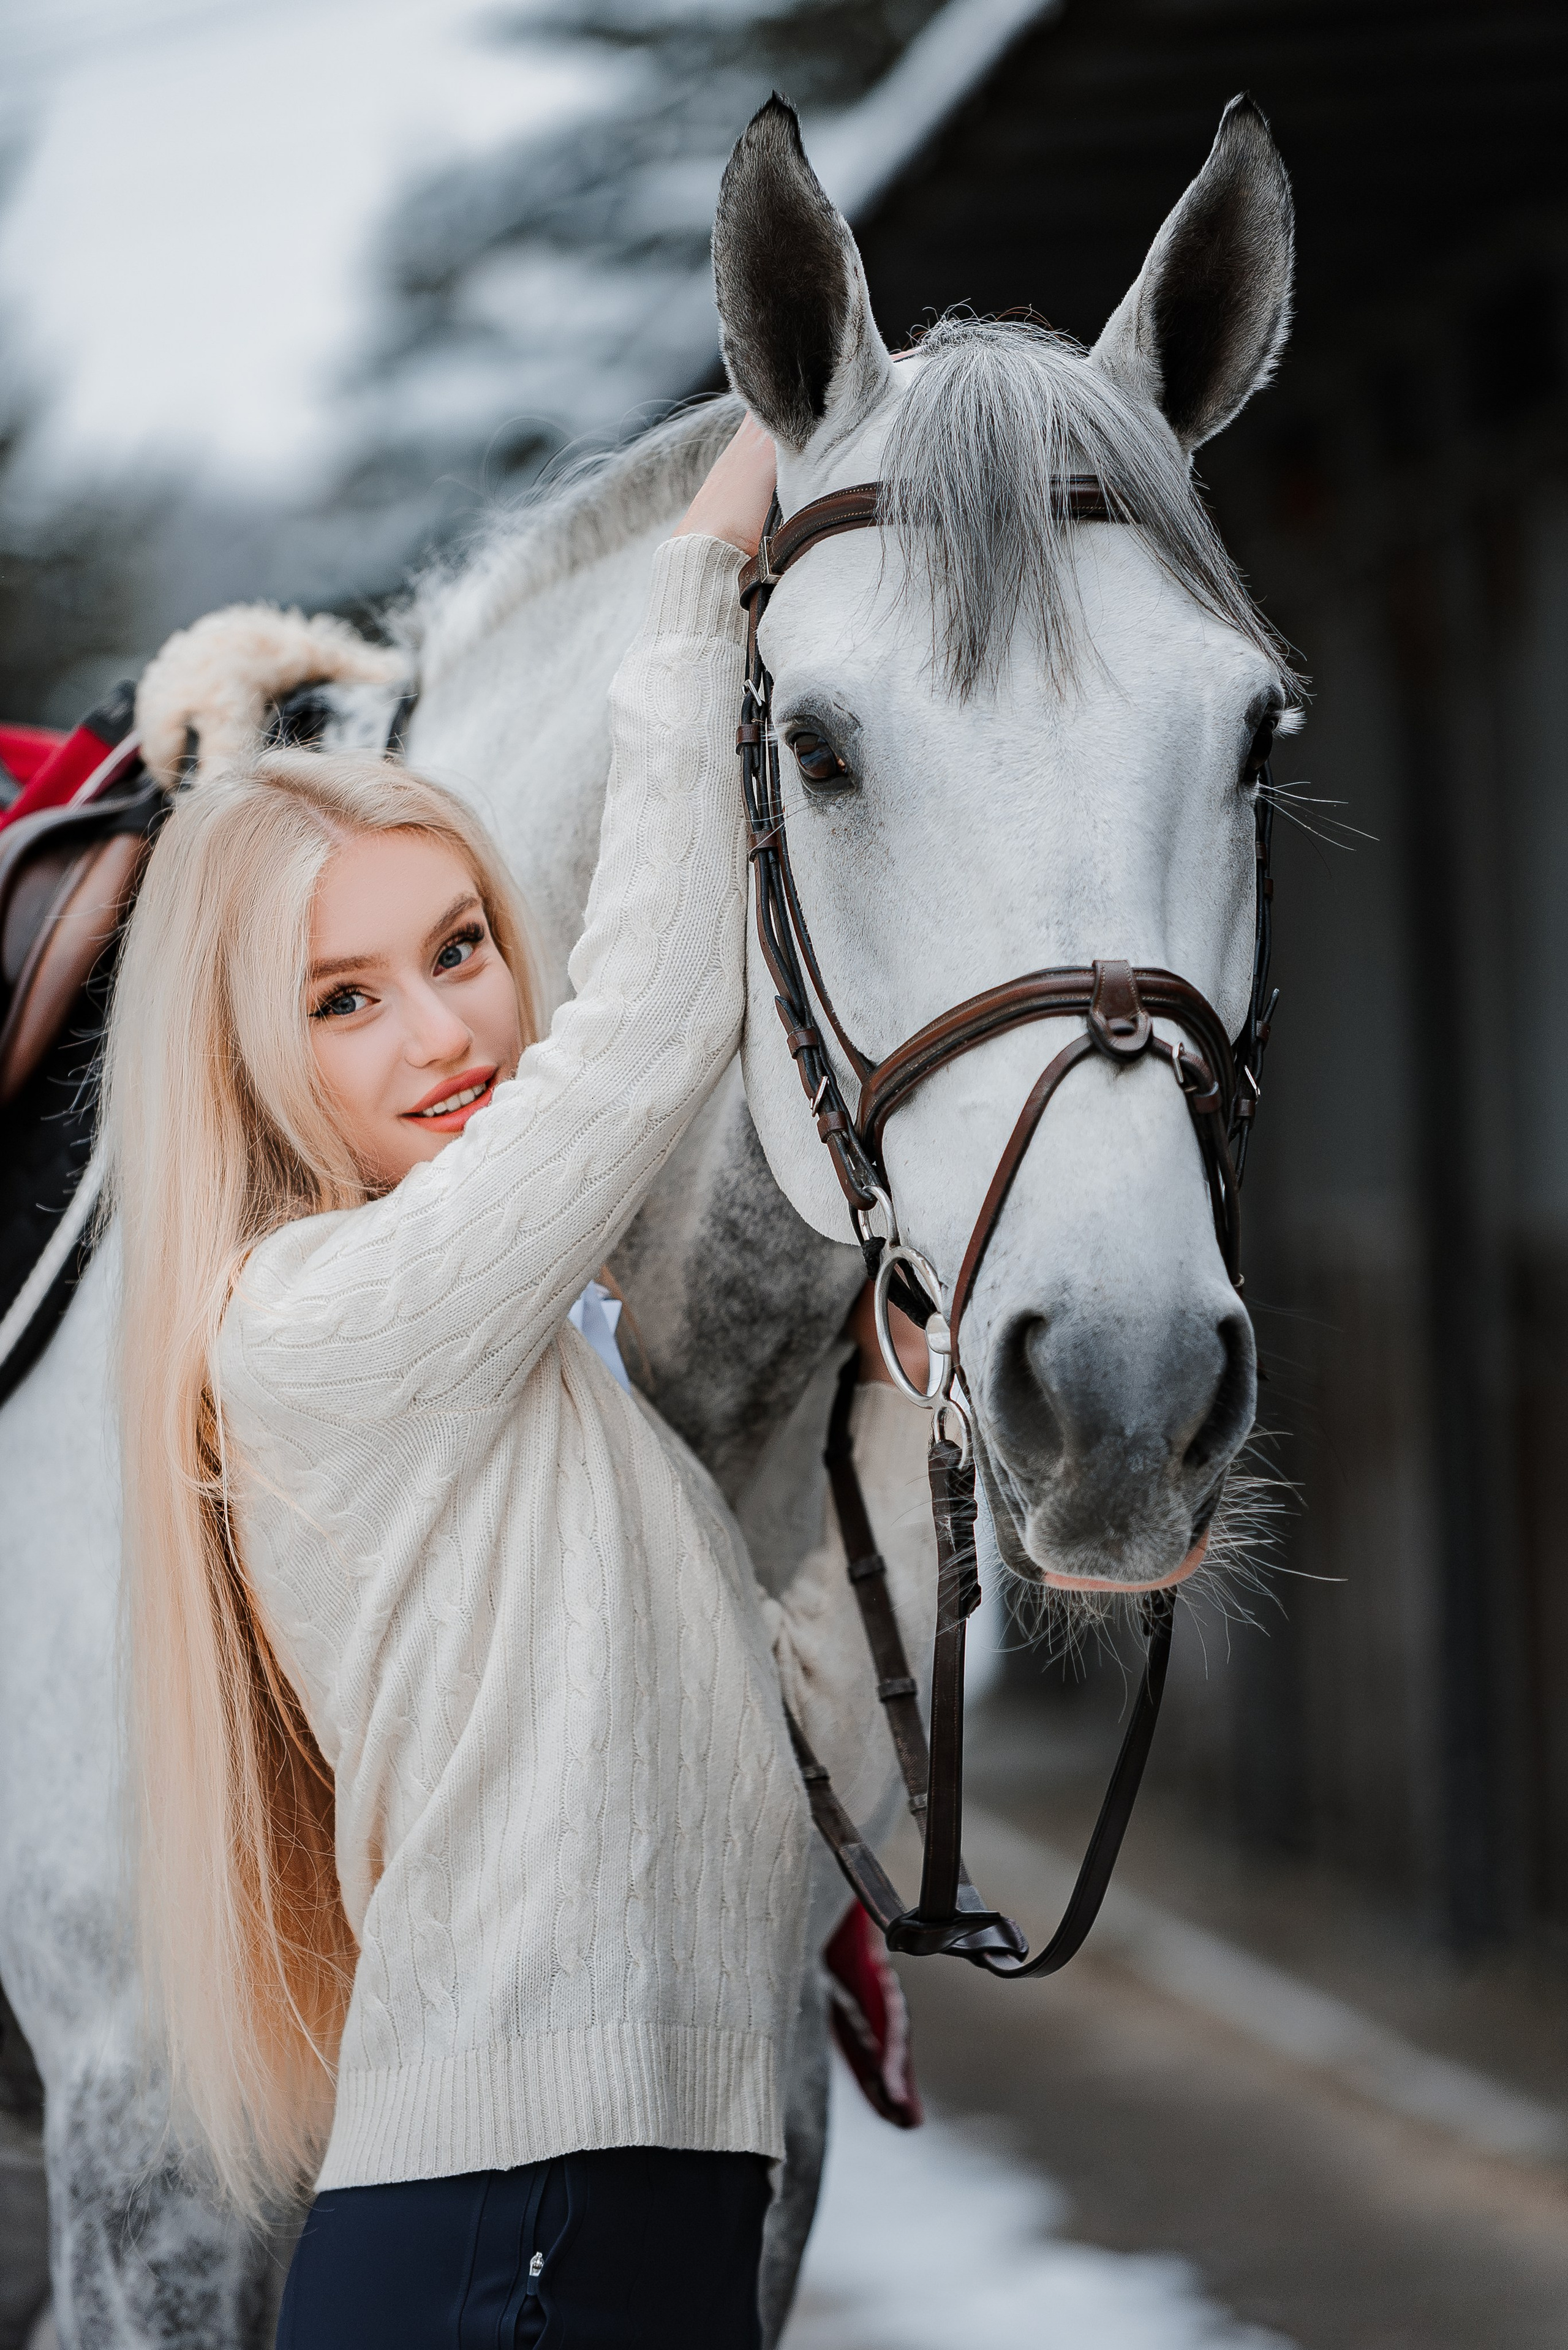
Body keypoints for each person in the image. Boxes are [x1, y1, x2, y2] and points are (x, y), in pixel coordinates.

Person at [102, 420, 920, 2349]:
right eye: (345, 997)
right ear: (249, 1061)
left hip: (640, 2205)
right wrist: (698, 572)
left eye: (461, 948)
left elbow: (796, 1726)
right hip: (508, 2234)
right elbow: (639, 1034)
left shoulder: (555, 1401)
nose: (448, 1028)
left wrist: (917, 1370)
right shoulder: (305, 1324)